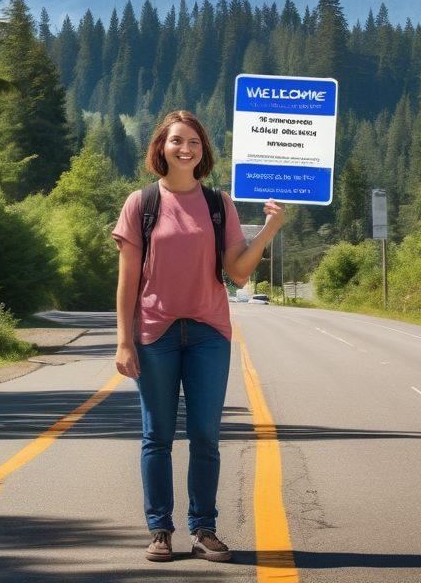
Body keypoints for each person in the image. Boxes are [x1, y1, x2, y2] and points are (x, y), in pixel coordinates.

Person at [112, 109, 285, 563]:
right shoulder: (141, 203)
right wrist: (124, 341)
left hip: (209, 332)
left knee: (206, 435)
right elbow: (127, 281)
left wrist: (266, 230)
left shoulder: (217, 204)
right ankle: (160, 530)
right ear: (161, 149)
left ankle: (204, 529)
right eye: (176, 141)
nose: (185, 148)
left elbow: (239, 275)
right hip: (155, 333)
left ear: (203, 150)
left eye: (193, 142)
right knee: (158, 436)